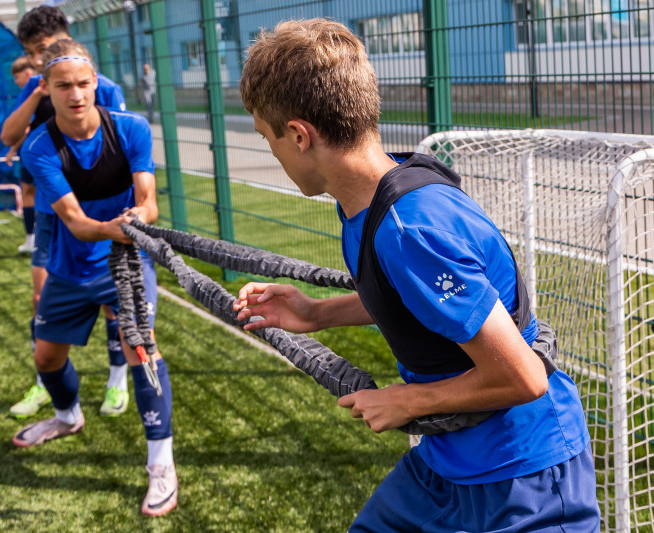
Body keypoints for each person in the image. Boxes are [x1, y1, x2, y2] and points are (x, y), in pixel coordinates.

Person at [233, 19, 600, 532]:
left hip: (524, 475)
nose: (271, 149)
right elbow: (416, 298)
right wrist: (315, 313)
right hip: (445, 466)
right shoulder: (369, 203)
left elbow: (523, 376)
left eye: (266, 137)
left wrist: (406, 400)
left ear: (298, 135)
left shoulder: (411, 229)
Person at [15, 39, 177, 516]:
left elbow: (149, 199)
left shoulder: (131, 128)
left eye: (84, 83)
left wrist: (139, 216)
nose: (76, 94)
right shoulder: (40, 145)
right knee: (45, 357)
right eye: (63, 85)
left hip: (124, 265)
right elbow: (75, 221)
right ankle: (67, 416)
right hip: (71, 266)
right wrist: (114, 227)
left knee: (141, 348)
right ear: (47, 89)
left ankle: (161, 465)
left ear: (95, 84)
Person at [2, 5, 135, 420]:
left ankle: (117, 382)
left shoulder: (104, 88)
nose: (40, 58)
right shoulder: (42, 83)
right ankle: (47, 382)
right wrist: (39, 94)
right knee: (41, 297)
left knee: (118, 304)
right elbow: (8, 134)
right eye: (34, 52)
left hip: (103, 216)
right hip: (51, 215)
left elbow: (123, 150)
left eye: (44, 48)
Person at [7, 56, 37, 255]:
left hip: (34, 154)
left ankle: (33, 240)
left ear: (27, 74)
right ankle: (33, 240)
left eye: (17, 78)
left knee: (29, 193)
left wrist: (11, 148)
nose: (16, 82)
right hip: (35, 154)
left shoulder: (33, 93)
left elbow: (25, 129)